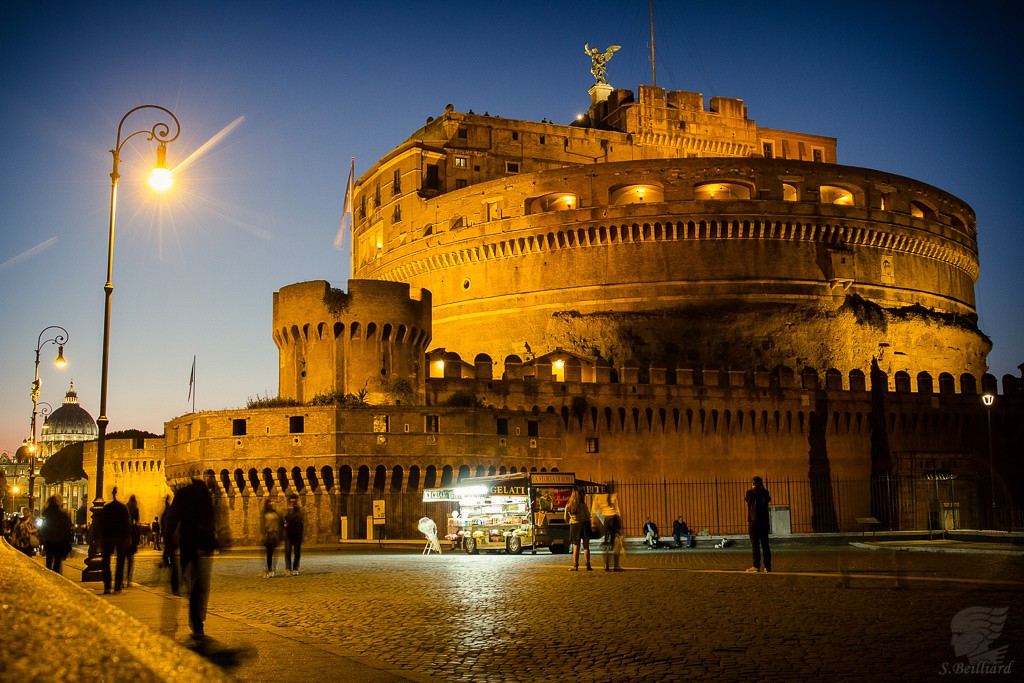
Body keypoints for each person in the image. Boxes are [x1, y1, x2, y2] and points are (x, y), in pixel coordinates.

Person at [167, 478, 220, 642]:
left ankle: (195, 618)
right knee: (200, 584)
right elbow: (213, 521)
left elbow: (172, 518)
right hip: (202, 546)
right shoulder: (205, 497)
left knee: (191, 583)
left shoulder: (183, 495)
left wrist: (169, 546)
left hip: (187, 545)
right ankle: (197, 621)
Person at [99, 487, 132, 593]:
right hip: (120, 536)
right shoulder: (122, 508)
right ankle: (118, 584)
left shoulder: (106, 508)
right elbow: (127, 523)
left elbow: (102, 524)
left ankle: (107, 585)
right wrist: (128, 536)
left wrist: (101, 537)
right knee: (120, 561)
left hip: (108, 536)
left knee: (106, 561)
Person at [745, 476, 772, 573]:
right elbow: (767, 501)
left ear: (753, 484)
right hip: (764, 522)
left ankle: (756, 566)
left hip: (753, 521)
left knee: (755, 545)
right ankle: (767, 567)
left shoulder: (749, 493)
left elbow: (748, 501)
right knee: (765, 544)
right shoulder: (765, 492)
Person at [40, 495, 73, 573]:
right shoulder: (63, 514)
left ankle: (48, 573)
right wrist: (68, 539)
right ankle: (56, 573)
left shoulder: (46, 514)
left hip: (49, 540)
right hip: (60, 540)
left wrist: (43, 538)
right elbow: (67, 527)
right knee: (57, 559)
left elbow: (44, 527)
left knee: (49, 558)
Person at [592, 493, 623, 571]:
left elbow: (594, 510)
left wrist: (594, 522)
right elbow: (617, 510)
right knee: (616, 541)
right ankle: (616, 565)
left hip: (605, 520)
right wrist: (619, 523)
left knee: (606, 542)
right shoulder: (613, 495)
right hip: (614, 518)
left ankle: (606, 565)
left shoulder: (598, 496)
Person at [564, 487, 591, 571]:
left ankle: (575, 565)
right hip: (584, 525)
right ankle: (588, 565)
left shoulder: (568, 505)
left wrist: (570, 521)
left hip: (574, 526)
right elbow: (588, 515)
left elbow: (565, 517)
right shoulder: (582, 505)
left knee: (576, 546)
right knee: (586, 547)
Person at [283, 493, 305, 576]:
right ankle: (288, 568)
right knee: (288, 552)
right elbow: (283, 521)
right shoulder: (286, 510)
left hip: (297, 534)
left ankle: (295, 568)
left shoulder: (300, 510)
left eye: (294, 499)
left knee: (297, 552)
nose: (292, 501)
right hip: (288, 534)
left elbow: (302, 521)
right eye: (291, 499)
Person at [262, 499, 283, 578]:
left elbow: (279, 523)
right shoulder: (265, 514)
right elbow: (262, 525)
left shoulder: (275, 513)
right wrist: (264, 535)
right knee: (269, 554)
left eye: (272, 502)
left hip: (275, 535)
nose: (272, 503)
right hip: (268, 535)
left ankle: (271, 569)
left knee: (274, 554)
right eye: (270, 502)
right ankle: (269, 569)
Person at [125, 494, 141, 587]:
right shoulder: (136, 509)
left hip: (125, 535)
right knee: (130, 559)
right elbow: (137, 521)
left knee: (123, 558)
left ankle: (121, 580)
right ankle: (128, 580)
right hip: (132, 536)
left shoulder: (125, 507)